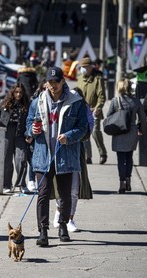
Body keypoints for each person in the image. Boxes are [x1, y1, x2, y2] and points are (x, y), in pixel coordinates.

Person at [26, 66, 88, 246]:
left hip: (65, 155)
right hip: (43, 155)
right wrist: (32, 129)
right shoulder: (37, 102)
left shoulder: (75, 101)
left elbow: (83, 128)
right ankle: (43, 231)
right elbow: (29, 124)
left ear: (63, 81)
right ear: (46, 83)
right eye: (50, 82)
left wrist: (68, 137)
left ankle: (62, 226)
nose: (53, 85)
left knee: (65, 195)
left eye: (56, 82)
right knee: (43, 193)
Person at [52, 86, 94, 232]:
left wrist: (72, 136)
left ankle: (70, 218)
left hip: (76, 148)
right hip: (57, 148)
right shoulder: (55, 103)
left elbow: (88, 127)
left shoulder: (82, 106)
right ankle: (59, 210)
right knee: (59, 187)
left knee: (74, 188)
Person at [0, 83, 30, 194]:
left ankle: (22, 184)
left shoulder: (26, 105)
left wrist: (29, 134)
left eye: (20, 92)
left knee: (22, 159)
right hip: (7, 133)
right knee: (6, 159)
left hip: (20, 134)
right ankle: (7, 184)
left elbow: (30, 119)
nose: (18, 94)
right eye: (16, 92)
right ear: (12, 93)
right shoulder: (7, 104)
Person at [107, 79, 147, 193]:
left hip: (119, 132)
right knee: (129, 157)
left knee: (120, 159)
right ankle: (128, 180)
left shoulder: (115, 101)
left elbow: (108, 116)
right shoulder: (136, 101)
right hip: (132, 132)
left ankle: (122, 183)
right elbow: (143, 118)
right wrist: (141, 129)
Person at [77, 56, 107, 165]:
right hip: (82, 111)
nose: (83, 69)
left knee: (95, 132)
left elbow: (102, 96)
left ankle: (103, 153)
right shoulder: (80, 78)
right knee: (84, 134)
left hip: (94, 111)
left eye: (85, 67)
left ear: (90, 67)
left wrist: (98, 108)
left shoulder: (97, 79)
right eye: (82, 67)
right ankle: (87, 156)